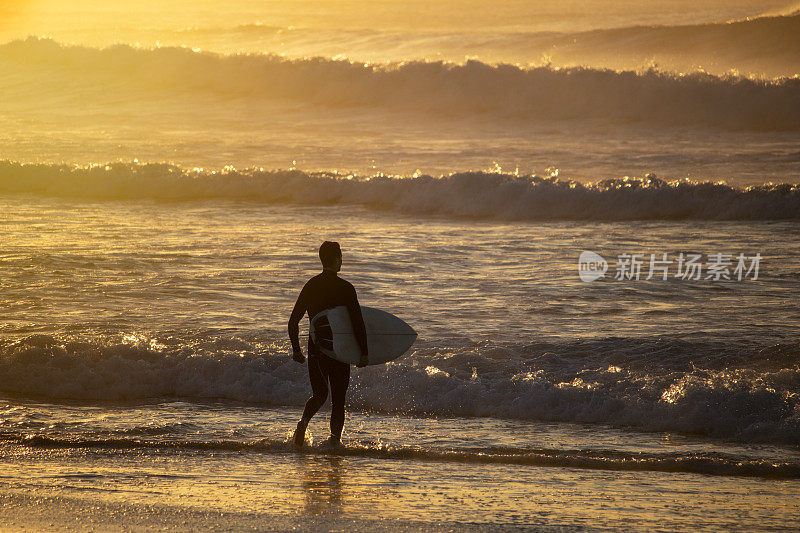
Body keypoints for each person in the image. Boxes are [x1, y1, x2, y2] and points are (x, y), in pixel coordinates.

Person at [288, 241, 368, 448]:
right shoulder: (346, 288)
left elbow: (293, 321)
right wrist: (364, 353)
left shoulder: (311, 285)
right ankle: (334, 442)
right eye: (341, 256)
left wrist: (296, 349)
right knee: (338, 400)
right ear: (336, 259)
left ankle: (303, 423)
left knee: (320, 394)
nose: (342, 260)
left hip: (317, 349)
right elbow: (357, 323)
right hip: (340, 350)